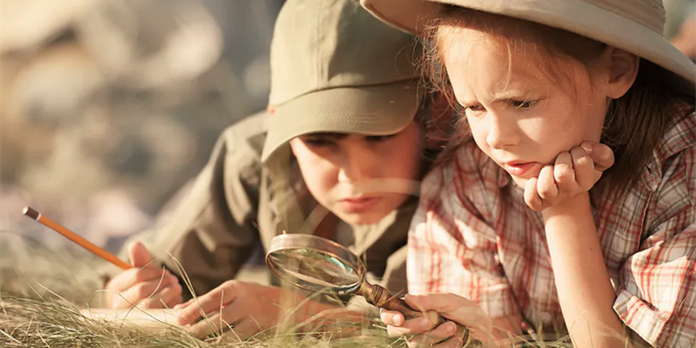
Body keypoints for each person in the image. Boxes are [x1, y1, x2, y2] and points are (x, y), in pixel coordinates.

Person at [101, 0, 448, 339]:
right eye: (319, 141)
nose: (352, 175)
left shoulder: (463, 178)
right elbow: (163, 271)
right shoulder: (252, 156)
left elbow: (430, 323)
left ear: (433, 112)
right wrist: (131, 293)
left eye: (379, 135)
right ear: (276, 120)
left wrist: (300, 315)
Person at [361, 0, 696, 347]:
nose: (495, 138)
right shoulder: (469, 175)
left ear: (616, 71)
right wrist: (485, 338)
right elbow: (505, 338)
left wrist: (565, 210)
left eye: (522, 103)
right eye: (474, 107)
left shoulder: (681, 169)